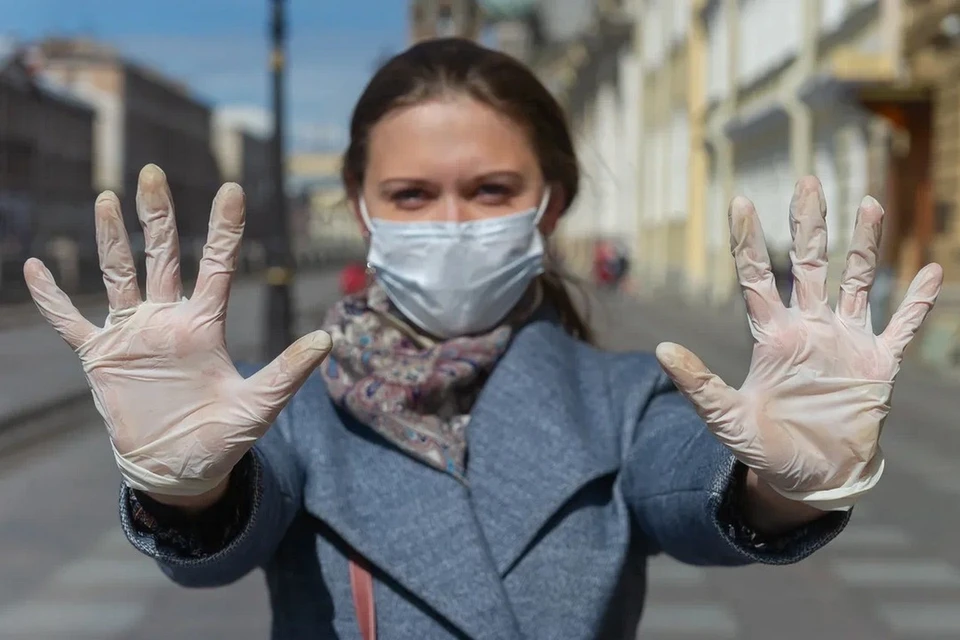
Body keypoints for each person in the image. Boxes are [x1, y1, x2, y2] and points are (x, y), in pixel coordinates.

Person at [24, 38, 942, 640]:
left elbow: (693, 495)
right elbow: (227, 544)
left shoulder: (625, 394)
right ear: (362, 209)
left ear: (552, 204)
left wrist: (787, 483)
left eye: (493, 191)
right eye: (413, 196)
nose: (453, 222)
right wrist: (185, 490)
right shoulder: (285, 399)